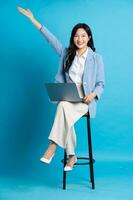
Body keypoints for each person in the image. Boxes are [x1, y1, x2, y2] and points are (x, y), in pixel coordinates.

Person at [17, 6, 105, 171]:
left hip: (85, 101)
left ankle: (53, 146)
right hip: (68, 97)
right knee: (64, 107)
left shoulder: (96, 58)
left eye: (83, 36)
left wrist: (93, 94)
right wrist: (32, 19)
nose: (80, 39)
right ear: (73, 38)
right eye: (76, 36)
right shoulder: (66, 53)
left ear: (89, 38)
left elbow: (101, 83)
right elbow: (50, 39)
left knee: (63, 109)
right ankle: (71, 156)